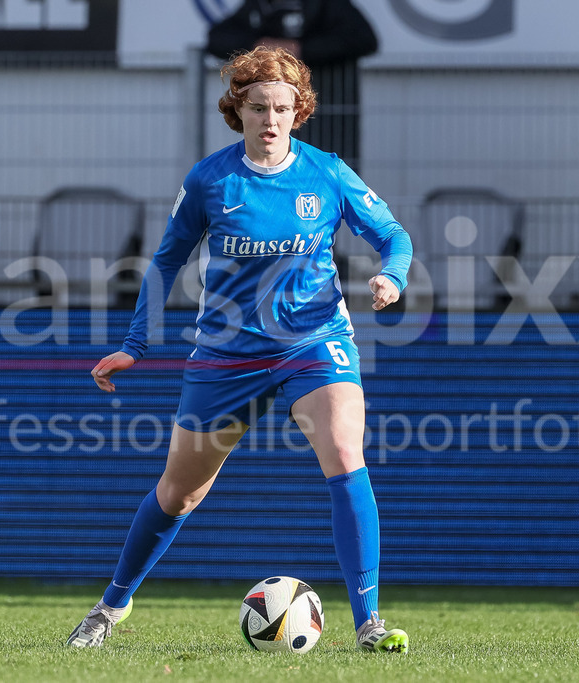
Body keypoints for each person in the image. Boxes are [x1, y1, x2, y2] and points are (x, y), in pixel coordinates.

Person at [66, 46, 411, 654]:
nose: (271, 120)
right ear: (238, 111)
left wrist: (394, 275)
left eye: (283, 108)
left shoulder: (326, 172)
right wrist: (133, 346)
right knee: (180, 492)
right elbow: (165, 261)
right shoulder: (211, 179)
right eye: (258, 108)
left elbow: (392, 235)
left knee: (344, 453)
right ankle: (109, 608)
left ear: (299, 112)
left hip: (315, 342)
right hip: (227, 356)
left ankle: (368, 623)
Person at [206, 0, 378, 173]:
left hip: (329, 119)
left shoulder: (328, 5)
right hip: (279, 132)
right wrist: (261, 45)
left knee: (324, 172)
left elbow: (365, 39)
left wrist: (302, 50)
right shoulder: (263, 5)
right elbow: (217, 39)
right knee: (276, 171)